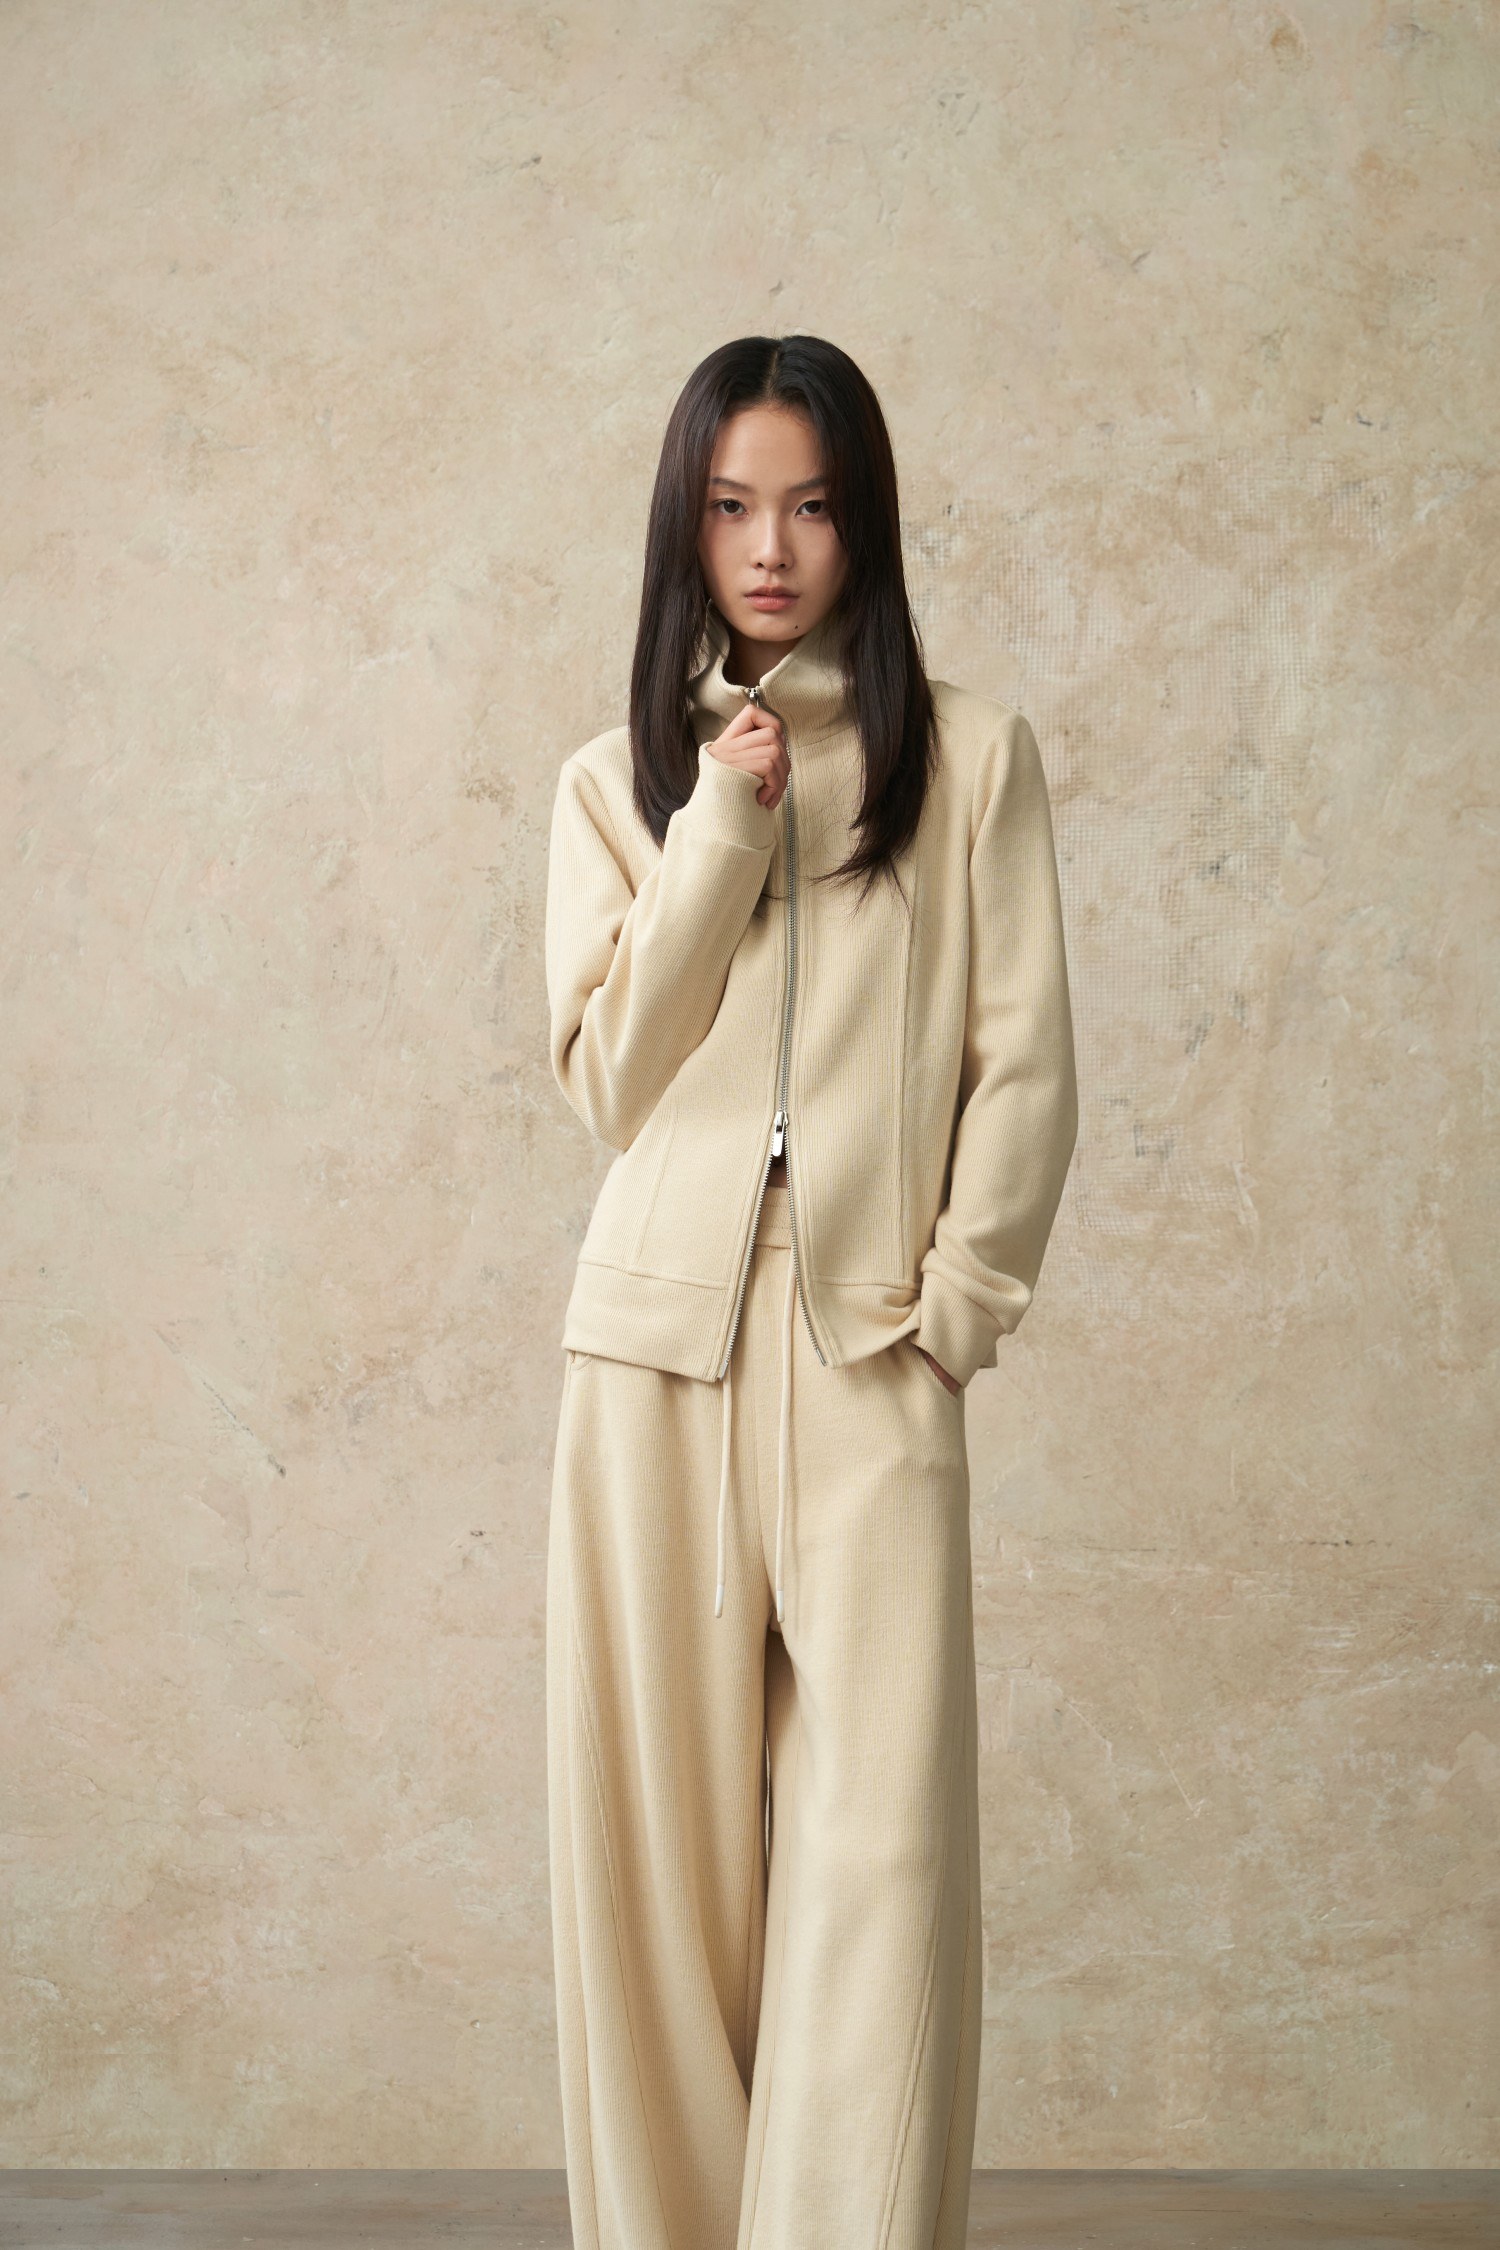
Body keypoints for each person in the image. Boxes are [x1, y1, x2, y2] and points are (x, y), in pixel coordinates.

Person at [542, 332, 1078, 2250]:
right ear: (685, 525)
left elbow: (1025, 1061)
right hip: (650, 1360)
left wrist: (958, 1307)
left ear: (867, 524)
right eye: (732, 505)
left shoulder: (974, 761)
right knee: (656, 1884)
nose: (771, 548)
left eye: (814, 505)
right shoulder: (615, 784)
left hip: (870, 1349)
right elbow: (611, 1075)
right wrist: (720, 825)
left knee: (880, 1872)